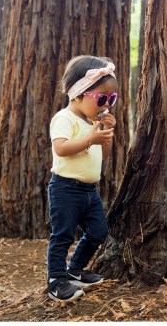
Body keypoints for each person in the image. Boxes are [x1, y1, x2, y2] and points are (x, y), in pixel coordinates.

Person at [45, 56, 118, 302]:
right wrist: (90, 138)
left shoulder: (92, 122)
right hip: (65, 188)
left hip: (89, 190)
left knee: (98, 232)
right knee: (63, 235)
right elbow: (61, 148)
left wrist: (105, 134)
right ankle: (56, 279)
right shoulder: (64, 118)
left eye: (111, 99)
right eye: (101, 99)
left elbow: (103, 155)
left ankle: (74, 269)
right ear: (78, 94)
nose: (106, 105)